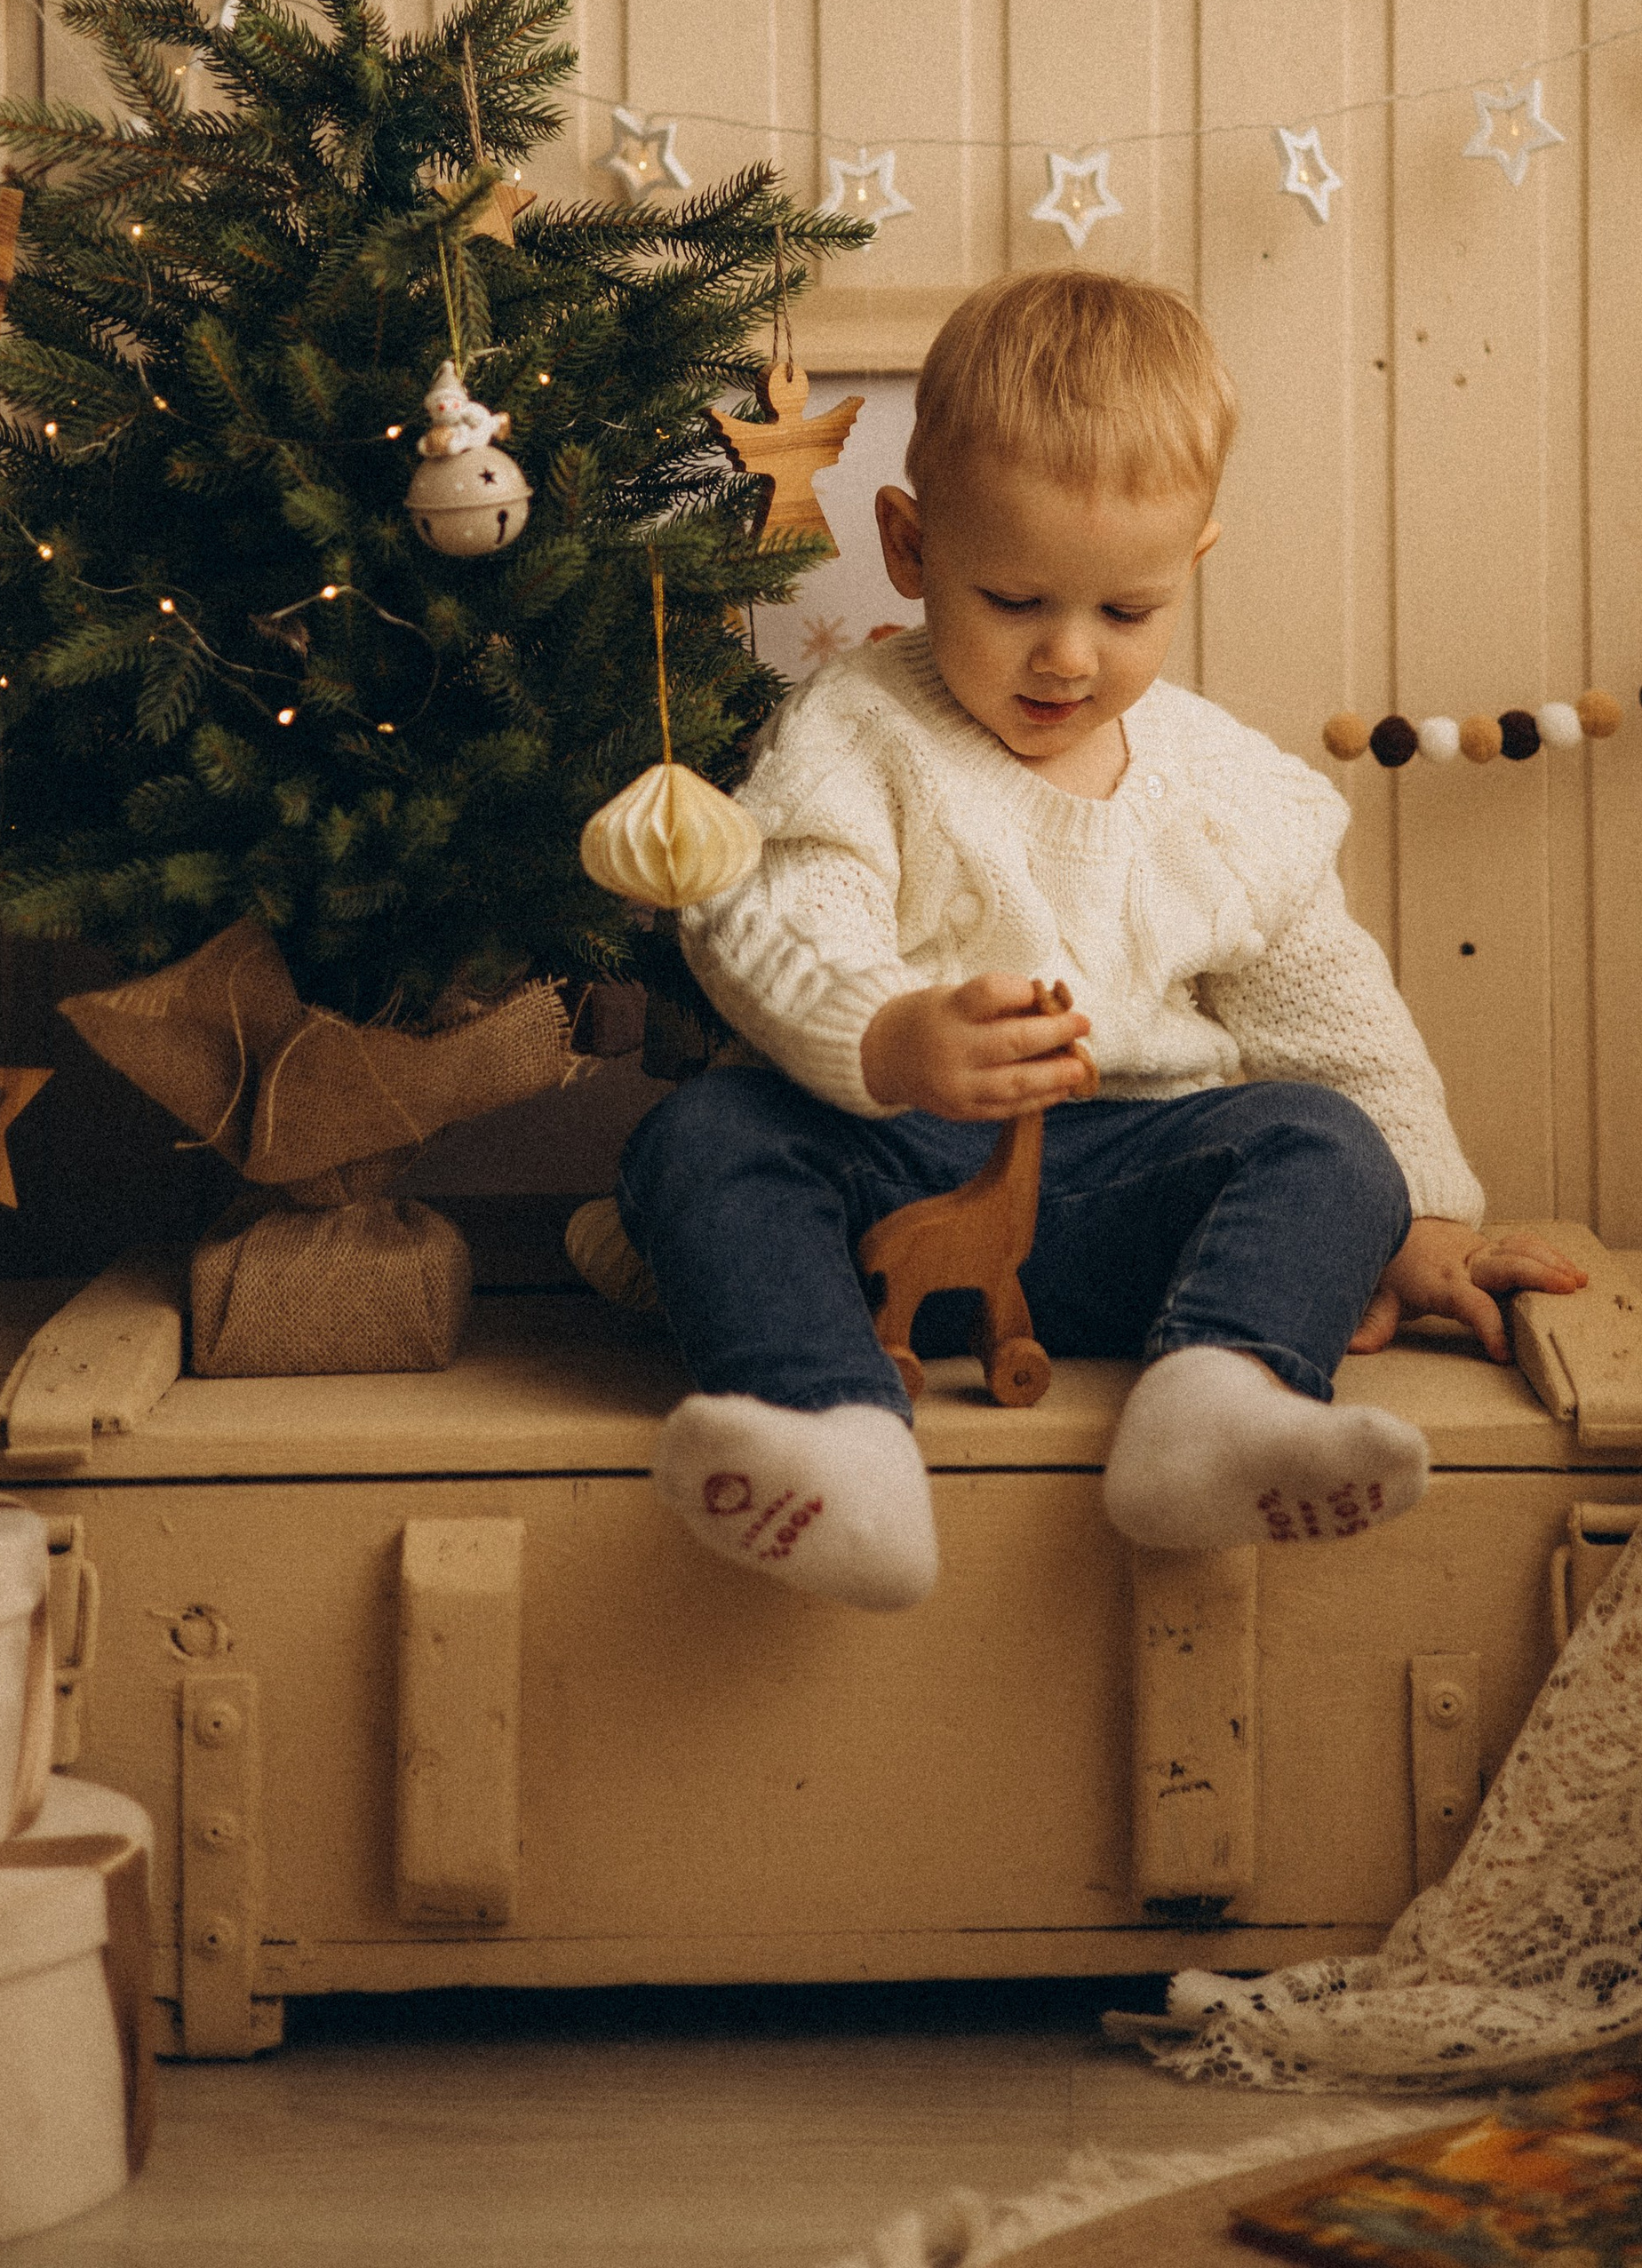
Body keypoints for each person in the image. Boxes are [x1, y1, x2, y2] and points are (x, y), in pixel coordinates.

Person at [602, 268, 1585, 1609]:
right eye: (1014, 601)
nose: (1068, 656)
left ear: (1191, 565)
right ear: (908, 546)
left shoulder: (1225, 788)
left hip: (1134, 1205)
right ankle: (837, 1442)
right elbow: (769, 920)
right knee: (700, 1142)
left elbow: (1336, 1017)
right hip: (898, 1174)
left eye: (1126, 614)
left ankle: (1220, 1403)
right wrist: (891, 1038)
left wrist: (1422, 1225)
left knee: (1324, 1138)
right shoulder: (857, 730)